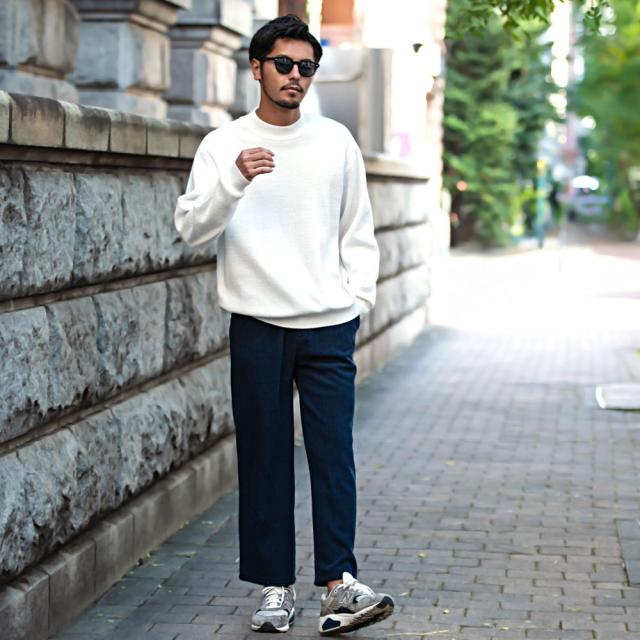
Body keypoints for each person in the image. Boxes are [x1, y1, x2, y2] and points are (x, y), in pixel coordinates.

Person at [174, 14, 393, 635]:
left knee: (334, 455)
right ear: (257, 68)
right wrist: (236, 178)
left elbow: (358, 229)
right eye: (284, 64)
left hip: (329, 325)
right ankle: (275, 587)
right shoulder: (223, 145)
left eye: (306, 67)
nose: (295, 75)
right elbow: (190, 228)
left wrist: (357, 299)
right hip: (257, 324)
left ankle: (339, 584)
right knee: (265, 457)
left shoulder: (335, 141)